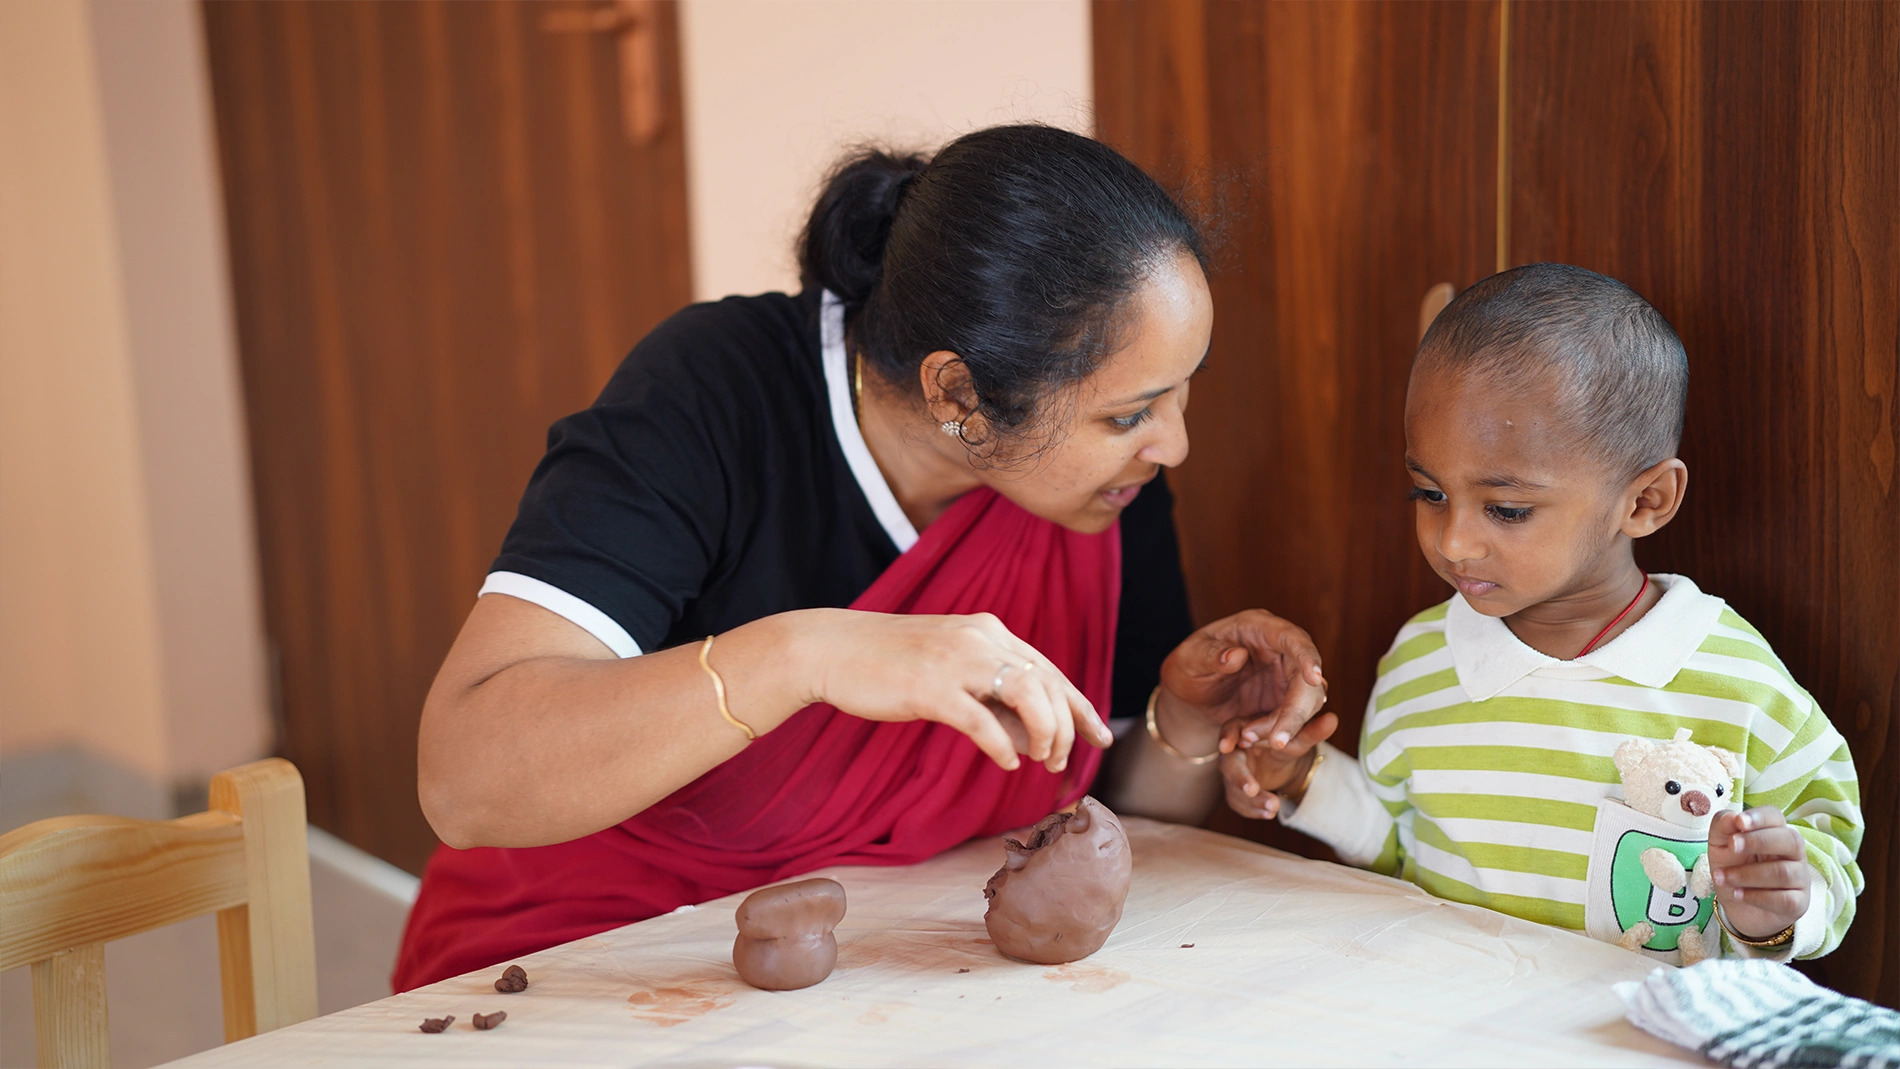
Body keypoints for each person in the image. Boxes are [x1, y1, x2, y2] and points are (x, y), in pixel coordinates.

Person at [394, 125, 1329, 990]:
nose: (1174, 444)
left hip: (895, 968)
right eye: (1129, 413)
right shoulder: (716, 392)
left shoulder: (1103, 482)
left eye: (1177, 394)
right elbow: (466, 779)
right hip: (595, 953)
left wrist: (1184, 721)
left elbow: (1110, 806)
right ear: (960, 388)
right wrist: (810, 655)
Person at [1222, 263, 1862, 961]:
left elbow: (1827, 849)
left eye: (1507, 509)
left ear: (1645, 501)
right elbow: (1401, 847)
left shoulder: (1735, 679)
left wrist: (1778, 906)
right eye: (1428, 494)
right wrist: (1303, 777)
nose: (1454, 540)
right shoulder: (1423, 660)